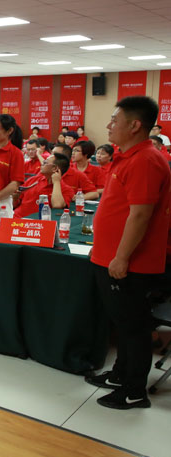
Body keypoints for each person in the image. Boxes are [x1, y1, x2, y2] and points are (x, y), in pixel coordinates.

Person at [87, 96, 171, 410]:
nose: (109, 125)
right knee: (122, 323)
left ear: (135, 125)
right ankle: (120, 374)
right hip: (110, 256)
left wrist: (121, 257)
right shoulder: (127, 156)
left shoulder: (146, 160)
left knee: (134, 327)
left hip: (130, 263)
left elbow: (140, 215)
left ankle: (135, 391)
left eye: (115, 120)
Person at [13, 153, 74, 218]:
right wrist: (15, 198)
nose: (41, 164)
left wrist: (56, 182)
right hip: (16, 218)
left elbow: (57, 205)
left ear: (54, 168)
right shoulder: (33, 180)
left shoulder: (67, 190)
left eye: (45, 162)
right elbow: (15, 204)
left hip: (39, 222)